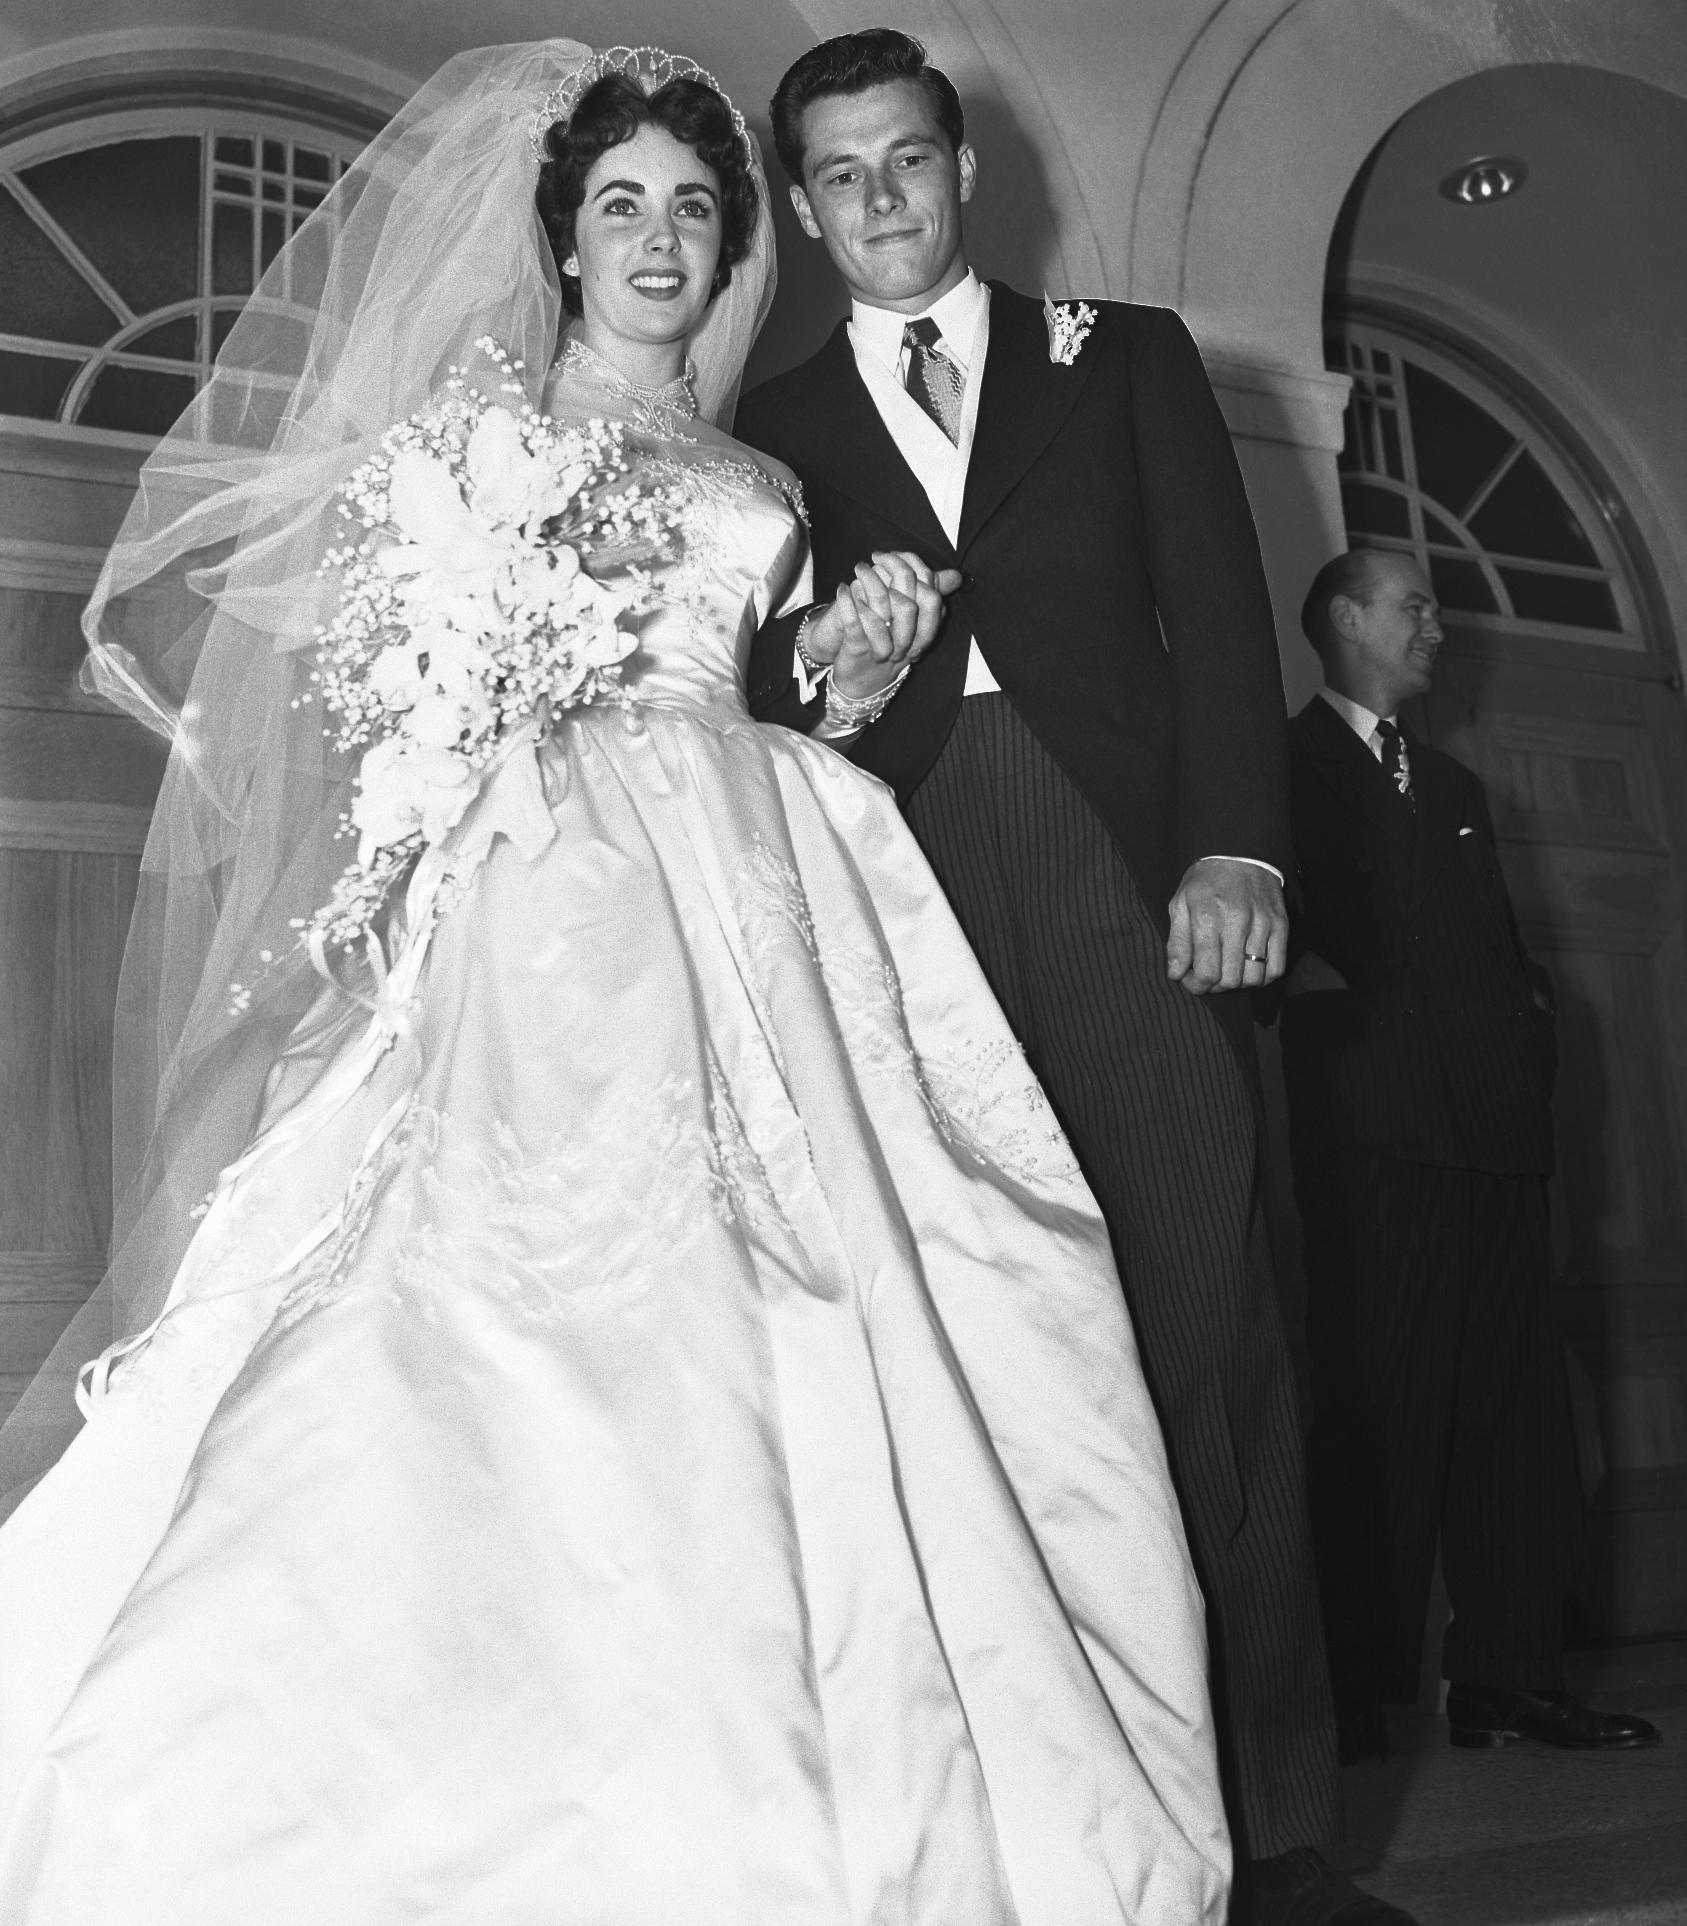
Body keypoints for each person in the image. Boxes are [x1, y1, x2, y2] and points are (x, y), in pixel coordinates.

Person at [0, 41, 1232, 1924]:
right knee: (529, 1297)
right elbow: (390, 689)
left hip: (768, 869)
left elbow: (768, 691)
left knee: (847, 1286)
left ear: (733, 245)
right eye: (620, 206)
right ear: (563, 238)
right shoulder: (468, 439)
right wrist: (482, 732)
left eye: (691, 208)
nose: (658, 239)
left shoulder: (764, 470)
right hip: (549, 894)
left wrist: (853, 656)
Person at [735, 30, 1403, 1926]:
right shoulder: (769, 422)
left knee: (1209, 1333)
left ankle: (1275, 1833)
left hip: (1135, 884)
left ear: (964, 171)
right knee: (977, 1369)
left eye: (908, 159)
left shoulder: (1125, 356)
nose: (880, 198)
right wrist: (830, 669)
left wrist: (1239, 848)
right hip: (901, 898)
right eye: (840, 174)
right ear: (803, 209)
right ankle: (1052, 1828)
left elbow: (1218, 620)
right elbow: (751, 698)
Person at [1282, 548, 1661, 1762]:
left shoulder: (1450, 782)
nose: (1436, 625)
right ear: (1346, 618)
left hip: (1498, 1135)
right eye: (1414, 605)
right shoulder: (1275, 763)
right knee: (1380, 1415)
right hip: (1378, 1137)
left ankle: (1510, 1680)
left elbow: (1494, 947)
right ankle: (1348, 1703)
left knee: (1518, 1421)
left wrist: (1531, 1032)